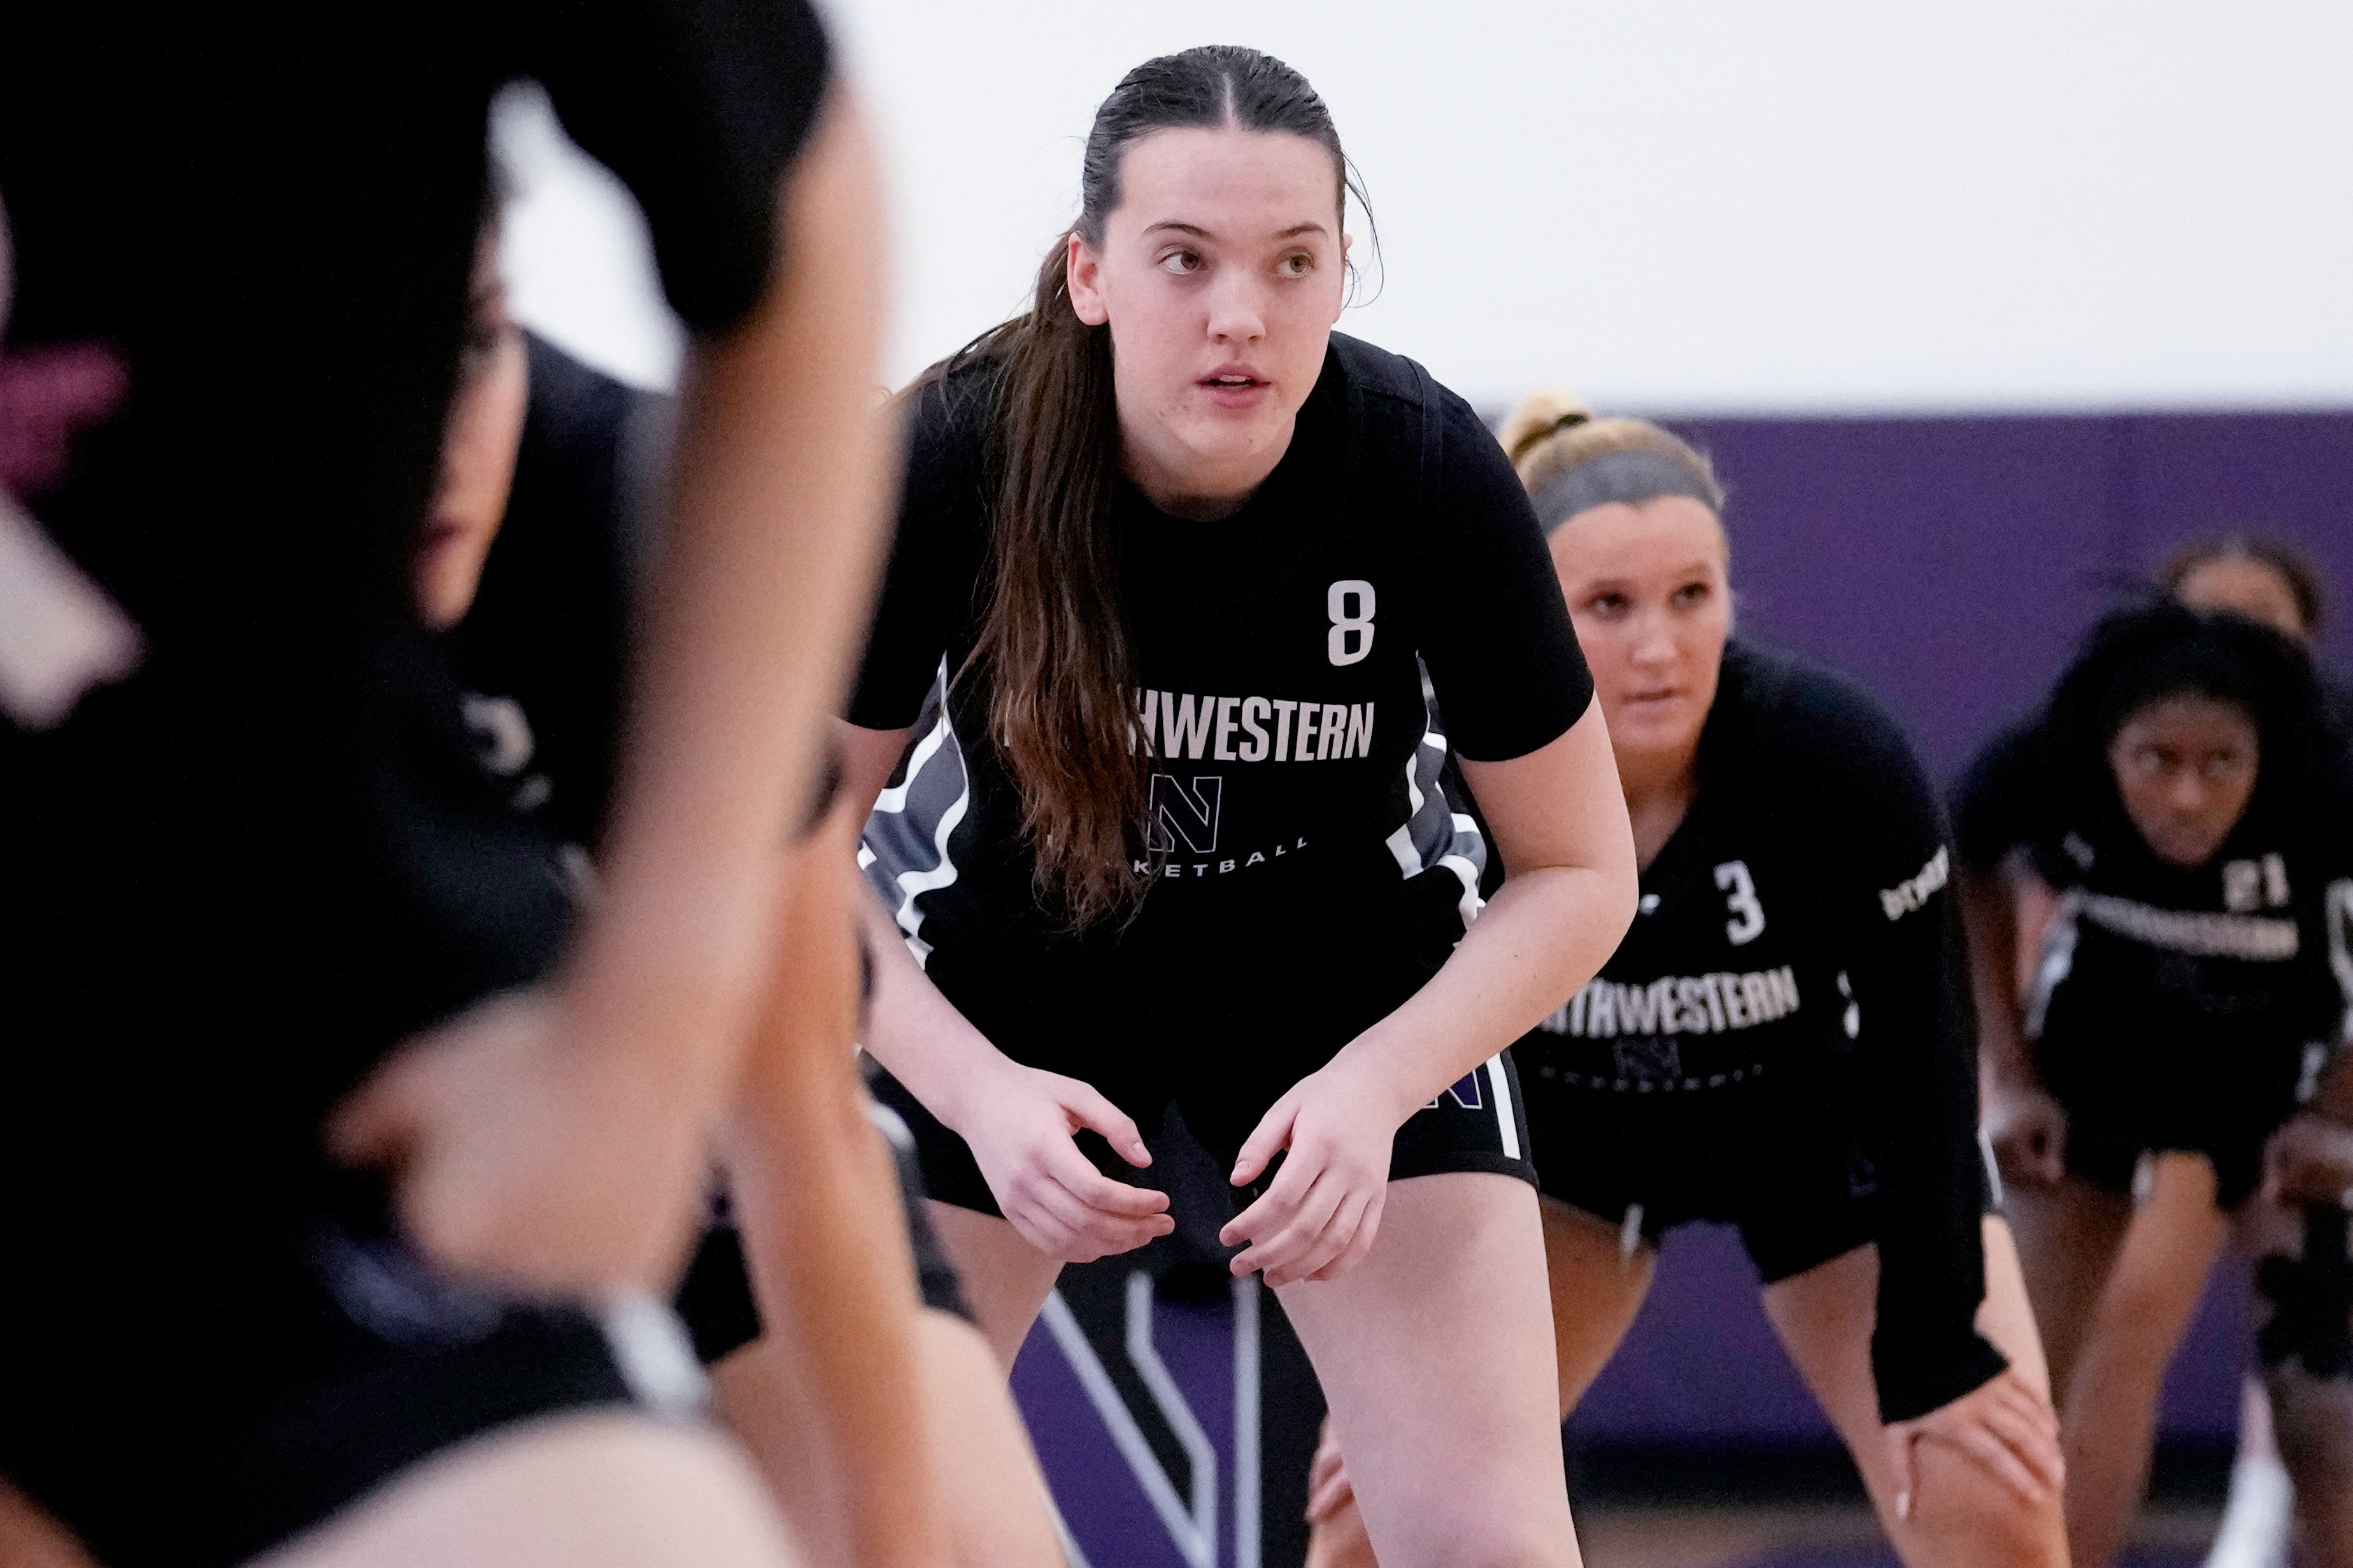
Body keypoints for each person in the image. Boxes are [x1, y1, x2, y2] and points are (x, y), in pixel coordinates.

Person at [0, 5, 895, 1565]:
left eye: (488, 335)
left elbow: (804, 1103)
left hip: (311, 1114)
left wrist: (647, 1034)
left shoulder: (600, 508)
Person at [842, 46, 1637, 1568]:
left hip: (1347, 987)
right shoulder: (953, 452)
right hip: (1000, 984)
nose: (1239, 313)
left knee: (1498, 1549)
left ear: (1344, 272)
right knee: (856, 1524)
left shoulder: (1421, 468)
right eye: (1183, 259)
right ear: (1090, 273)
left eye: (1293, 262)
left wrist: (1382, 1083)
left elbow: (1578, 870)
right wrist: (975, 1092)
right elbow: (784, 851)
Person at [1300, 393, 2068, 1568]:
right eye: (1608, 606)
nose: (1658, 648)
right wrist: (1391, 1350)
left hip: (1820, 1153)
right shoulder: (1435, 771)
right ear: (1526, 604)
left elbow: (1925, 1049)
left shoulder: (1840, 759)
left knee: (1988, 1483)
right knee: (1367, 1522)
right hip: (1563, 1169)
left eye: (1691, 597)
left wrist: (1938, 1339)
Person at [422, 234, 1066, 1568]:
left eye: (475, 341)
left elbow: (806, 1133)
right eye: (367, 371)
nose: (436, 440)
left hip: (709, 1153)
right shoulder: (114, 566)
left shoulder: (643, 514)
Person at [1954, 602, 2353, 1568]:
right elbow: (1963, 867)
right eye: (2156, 762)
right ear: (2110, 748)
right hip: (2090, 1096)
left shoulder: (2330, 785)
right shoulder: (2045, 766)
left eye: (2222, 765)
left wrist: (2337, 1110)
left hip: (2276, 1110)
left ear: (2265, 756)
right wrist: (2009, 1077)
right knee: (2008, 1398)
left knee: (2322, 1409)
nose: (2187, 798)